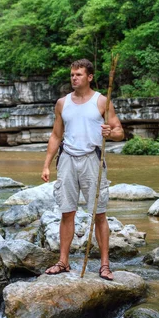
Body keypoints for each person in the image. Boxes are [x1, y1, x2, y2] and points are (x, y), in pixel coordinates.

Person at [41, 59, 124, 280]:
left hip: (92, 160)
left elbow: (119, 132)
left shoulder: (102, 102)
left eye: (78, 74)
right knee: (67, 212)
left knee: (99, 214)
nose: (74, 78)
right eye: (72, 75)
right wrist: (47, 164)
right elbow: (56, 136)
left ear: (89, 77)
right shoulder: (62, 103)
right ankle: (63, 262)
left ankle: (105, 265)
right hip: (67, 159)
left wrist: (110, 133)